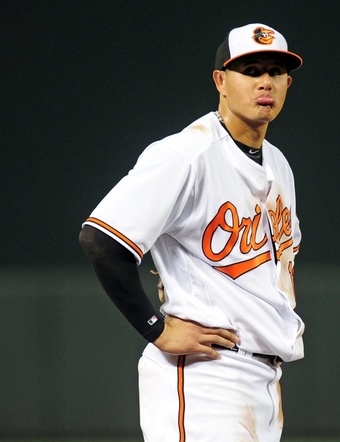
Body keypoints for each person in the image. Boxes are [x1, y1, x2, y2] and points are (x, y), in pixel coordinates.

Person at [79, 23, 304, 442]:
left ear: (288, 82)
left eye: (275, 71)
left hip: (263, 378)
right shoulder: (186, 154)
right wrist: (156, 329)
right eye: (250, 70)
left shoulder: (279, 164)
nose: (265, 81)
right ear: (221, 81)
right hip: (207, 377)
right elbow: (102, 240)